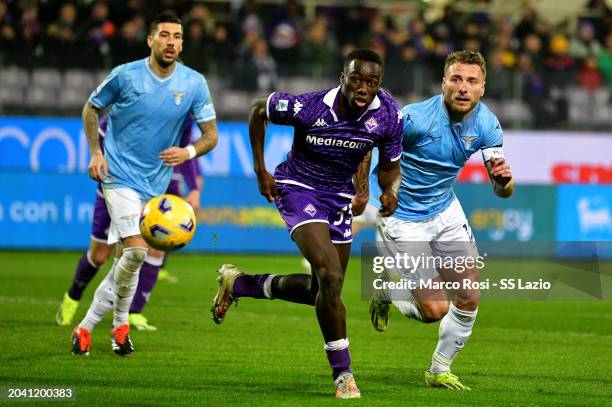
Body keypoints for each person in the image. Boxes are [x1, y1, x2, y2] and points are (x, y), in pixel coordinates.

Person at [210, 48, 403, 399]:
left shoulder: (389, 115)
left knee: (323, 292)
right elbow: (257, 108)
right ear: (342, 77)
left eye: (371, 82)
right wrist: (260, 168)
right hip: (299, 189)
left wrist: (386, 190)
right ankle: (343, 375)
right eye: (356, 79)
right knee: (330, 275)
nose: (363, 88)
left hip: (339, 198)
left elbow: (387, 164)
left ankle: (239, 284)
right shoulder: (309, 106)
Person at [71, 12, 218, 356]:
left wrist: (189, 151)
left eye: (178, 37)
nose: (171, 42)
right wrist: (96, 152)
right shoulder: (125, 75)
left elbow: (211, 136)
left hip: (156, 184)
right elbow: (91, 109)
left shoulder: (194, 83)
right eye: (164, 35)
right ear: (150, 40)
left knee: (127, 257)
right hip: (118, 177)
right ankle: (104, 327)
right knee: (138, 251)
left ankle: (101, 327)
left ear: (182, 43)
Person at [367, 50, 514, 390]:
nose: (463, 87)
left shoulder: (487, 124)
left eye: (472, 81)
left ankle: (438, 369)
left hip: (446, 211)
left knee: (468, 296)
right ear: (444, 83)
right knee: (434, 310)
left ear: (482, 88)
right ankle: (389, 289)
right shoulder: (415, 119)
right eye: (457, 79)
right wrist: (366, 191)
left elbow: (503, 190)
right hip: (403, 217)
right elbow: (368, 146)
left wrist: (505, 180)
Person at [55, 115, 202, 331]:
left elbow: (185, 149)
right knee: (99, 255)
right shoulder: (130, 102)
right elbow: (102, 133)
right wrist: (100, 158)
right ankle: (73, 297)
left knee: (153, 250)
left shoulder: (183, 112)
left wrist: (194, 188)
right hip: (117, 186)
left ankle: (134, 313)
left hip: (155, 186)